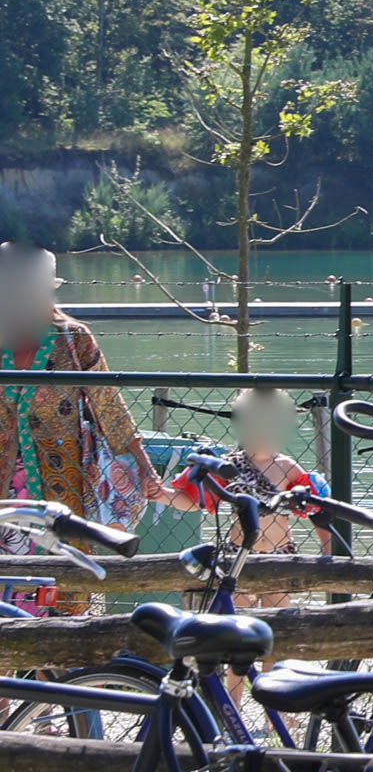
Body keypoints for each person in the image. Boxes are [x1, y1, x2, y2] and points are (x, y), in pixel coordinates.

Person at [0, 243, 163, 551]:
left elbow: (108, 404)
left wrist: (145, 466)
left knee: (66, 566)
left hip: (64, 480)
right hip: (4, 485)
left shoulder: (73, 338)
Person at [154, 388, 329, 607]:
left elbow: (316, 509)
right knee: (239, 613)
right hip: (240, 552)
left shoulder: (288, 466)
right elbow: (193, 502)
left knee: (278, 614)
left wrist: (328, 550)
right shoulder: (229, 466)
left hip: (280, 551)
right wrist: (161, 494)